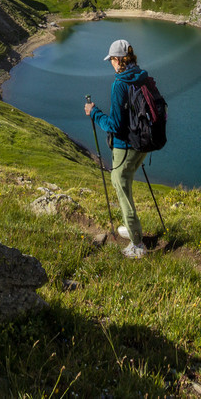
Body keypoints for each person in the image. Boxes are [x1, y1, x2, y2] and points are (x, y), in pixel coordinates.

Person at [84, 38, 150, 259]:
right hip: (143, 142)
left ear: (119, 59)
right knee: (125, 181)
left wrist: (94, 113)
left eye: (112, 59)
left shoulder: (120, 84)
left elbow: (114, 125)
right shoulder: (141, 75)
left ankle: (138, 245)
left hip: (126, 144)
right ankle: (130, 227)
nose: (110, 63)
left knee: (120, 186)